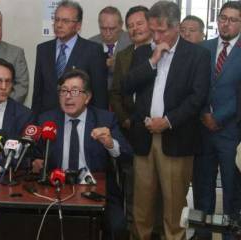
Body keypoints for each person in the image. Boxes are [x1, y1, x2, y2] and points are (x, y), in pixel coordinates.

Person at [122, 1, 211, 239]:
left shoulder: (198, 55)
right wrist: (153, 60)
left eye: (162, 30)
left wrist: (168, 121)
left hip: (176, 139)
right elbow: (127, 84)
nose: (157, 35)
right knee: (141, 208)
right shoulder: (143, 52)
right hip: (144, 140)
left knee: (174, 211)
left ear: (177, 27)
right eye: (153, 30)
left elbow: (197, 97)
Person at [32, 69, 132, 240]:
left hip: (96, 190)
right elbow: (34, 154)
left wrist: (110, 143)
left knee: (118, 226)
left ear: (87, 97)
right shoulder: (46, 120)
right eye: (64, 91)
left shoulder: (105, 119)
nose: (68, 96)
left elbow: (127, 156)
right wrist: (35, 161)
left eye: (75, 91)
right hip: (56, 189)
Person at [193, 2, 241, 240]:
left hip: (231, 132)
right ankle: (202, 234)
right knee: (202, 187)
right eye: (223, 18)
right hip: (203, 131)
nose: (226, 23)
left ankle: (230, 236)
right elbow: (195, 86)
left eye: (233, 19)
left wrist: (219, 118)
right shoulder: (204, 48)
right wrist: (204, 114)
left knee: (232, 190)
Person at [109, 5, 152, 234]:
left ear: (151, 23)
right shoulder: (123, 55)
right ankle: (132, 229)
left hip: (158, 128)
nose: (135, 29)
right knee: (131, 183)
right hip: (129, 129)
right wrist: (124, 119)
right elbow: (115, 92)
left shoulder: (162, 52)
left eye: (140, 23)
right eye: (131, 25)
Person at [31, 0, 108, 117]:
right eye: (56, 19)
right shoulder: (43, 49)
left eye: (65, 21)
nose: (59, 25)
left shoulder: (93, 50)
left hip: (80, 119)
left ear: (78, 25)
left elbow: (99, 94)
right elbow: (38, 92)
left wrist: (100, 123)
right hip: (48, 120)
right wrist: (34, 121)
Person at [89, 6, 131, 90]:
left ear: (121, 25)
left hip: (125, 96)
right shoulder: (90, 44)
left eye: (112, 28)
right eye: (103, 28)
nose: (108, 33)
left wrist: (118, 65)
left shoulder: (131, 41)